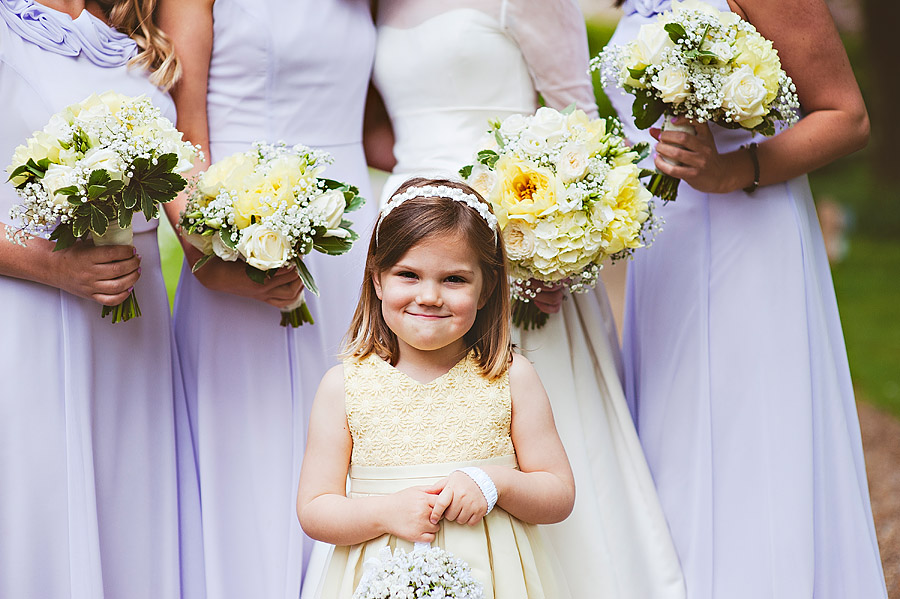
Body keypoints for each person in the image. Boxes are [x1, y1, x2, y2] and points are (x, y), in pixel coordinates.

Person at [365, 1, 686, 596]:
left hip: (517, 242)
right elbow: (383, 130)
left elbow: (581, 128)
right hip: (411, 235)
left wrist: (555, 240)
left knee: (529, 420)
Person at [607, 0, 888, 597]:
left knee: (748, 441)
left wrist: (736, 169)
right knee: (674, 440)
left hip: (748, 232)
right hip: (666, 245)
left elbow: (847, 115)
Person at [155, 0, 379, 596]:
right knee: (254, 449)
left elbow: (380, 126)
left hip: (348, 231)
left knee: (359, 432)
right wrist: (208, 255)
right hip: (237, 235)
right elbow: (183, 130)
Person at [0, 0, 200, 597]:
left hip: (136, 328)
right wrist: (53, 266)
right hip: (35, 311)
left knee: (131, 504)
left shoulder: (138, 41)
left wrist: (247, 236)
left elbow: (184, 187)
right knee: (45, 507)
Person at [297, 178, 576, 598]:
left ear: (486, 289)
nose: (429, 296)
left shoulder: (511, 376)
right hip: (380, 577)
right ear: (377, 279)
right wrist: (384, 513)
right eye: (408, 274)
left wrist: (495, 481)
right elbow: (316, 508)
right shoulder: (344, 386)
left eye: (454, 279)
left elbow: (558, 494)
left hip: (494, 579)